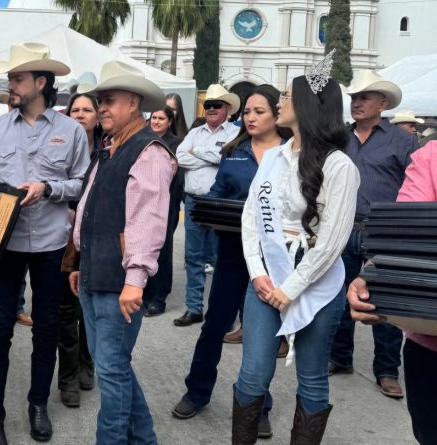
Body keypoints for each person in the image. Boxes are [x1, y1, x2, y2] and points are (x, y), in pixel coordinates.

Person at [232, 56, 360, 443]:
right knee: (252, 372)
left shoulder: (340, 167)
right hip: (269, 273)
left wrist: (290, 289)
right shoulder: (273, 157)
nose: (280, 100)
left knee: (312, 375)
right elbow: (251, 218)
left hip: (315, 279)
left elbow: (333, 241)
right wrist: (258, 272)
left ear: (305, 104)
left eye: (286, 94)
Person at [0, 42, 88, 445]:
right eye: (10, 79)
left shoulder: (70, 131)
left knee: (47, 327)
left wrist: (48, 187)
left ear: (41, 82)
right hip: (4, 243)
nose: (10, 85)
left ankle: (38, 404)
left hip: (52, 244)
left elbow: (79, 183)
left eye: (17, 78)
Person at [172, 86, 290, 438]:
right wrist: (211, 210)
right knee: (214, 326)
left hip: (271, 261)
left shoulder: (291, 154)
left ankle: (257, 404)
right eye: (248, 113)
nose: (251, 118)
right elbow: (217, 195)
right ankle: (197, 392)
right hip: (232, 253)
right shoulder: (233, 152)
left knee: (261, 334)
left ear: (276, 115)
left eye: (259, 112)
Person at [70, 60, 175, 445]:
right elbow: (91, 209)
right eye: (100, 100)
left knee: (112, 372)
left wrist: (135, 280)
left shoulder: (148, 151)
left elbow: (147, 222)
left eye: (109, 100)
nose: (102, 108)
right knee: (113, 368)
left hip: (120, 282)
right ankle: (145, 440)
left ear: (133, 103)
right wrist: (80, 261)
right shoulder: (111, 148)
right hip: (97, 274)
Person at [329, 70, 417, 399]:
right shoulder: (340, 137)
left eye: (364, 97)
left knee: (383, 301)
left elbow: (417, 187)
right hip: (342, 227)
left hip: (383, 231)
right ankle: (340, 357)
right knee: (338, 298)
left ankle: (387, 370)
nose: (356, 103)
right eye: (353, 98)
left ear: (383, 103)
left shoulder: (403, 141)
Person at [347, 140, 437, 444]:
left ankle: (386, 369)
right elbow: (408, 233)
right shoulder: (430, 156)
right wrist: (376, 275)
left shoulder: (401, 142)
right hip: (429, 341)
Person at [174, 84, 240, 327]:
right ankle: (194, 308)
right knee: (193, 257)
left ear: (228, 109)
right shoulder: (195, 131)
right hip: (193, 201)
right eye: (208, 105)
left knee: (222, 259)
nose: (211, 109)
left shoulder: (235, 133)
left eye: (216, 105)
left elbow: (227, 158)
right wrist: (211, 156)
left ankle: (220, 314)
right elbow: (179, 157)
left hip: (221, 203)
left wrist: (198, 152)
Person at [57, 92, 101, 408]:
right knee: (65, 308)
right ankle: (68, 377)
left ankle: (88, 364)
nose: (81, 114)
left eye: (87, 109)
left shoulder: (108, 149)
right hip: (62, 237)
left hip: (98, 237)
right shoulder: (58, 146)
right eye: (76, 109)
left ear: (97, 116)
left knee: (91, 306)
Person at [143, 107, 183, 317]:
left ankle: (158, 298)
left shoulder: (176, 144)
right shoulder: (143, 140)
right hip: (143, 201)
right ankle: (143, 293)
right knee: (142, 246)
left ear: (169, 122)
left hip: (167, 202)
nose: (156, 121)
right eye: (154, 117)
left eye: (161, 118)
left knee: (162, 249)